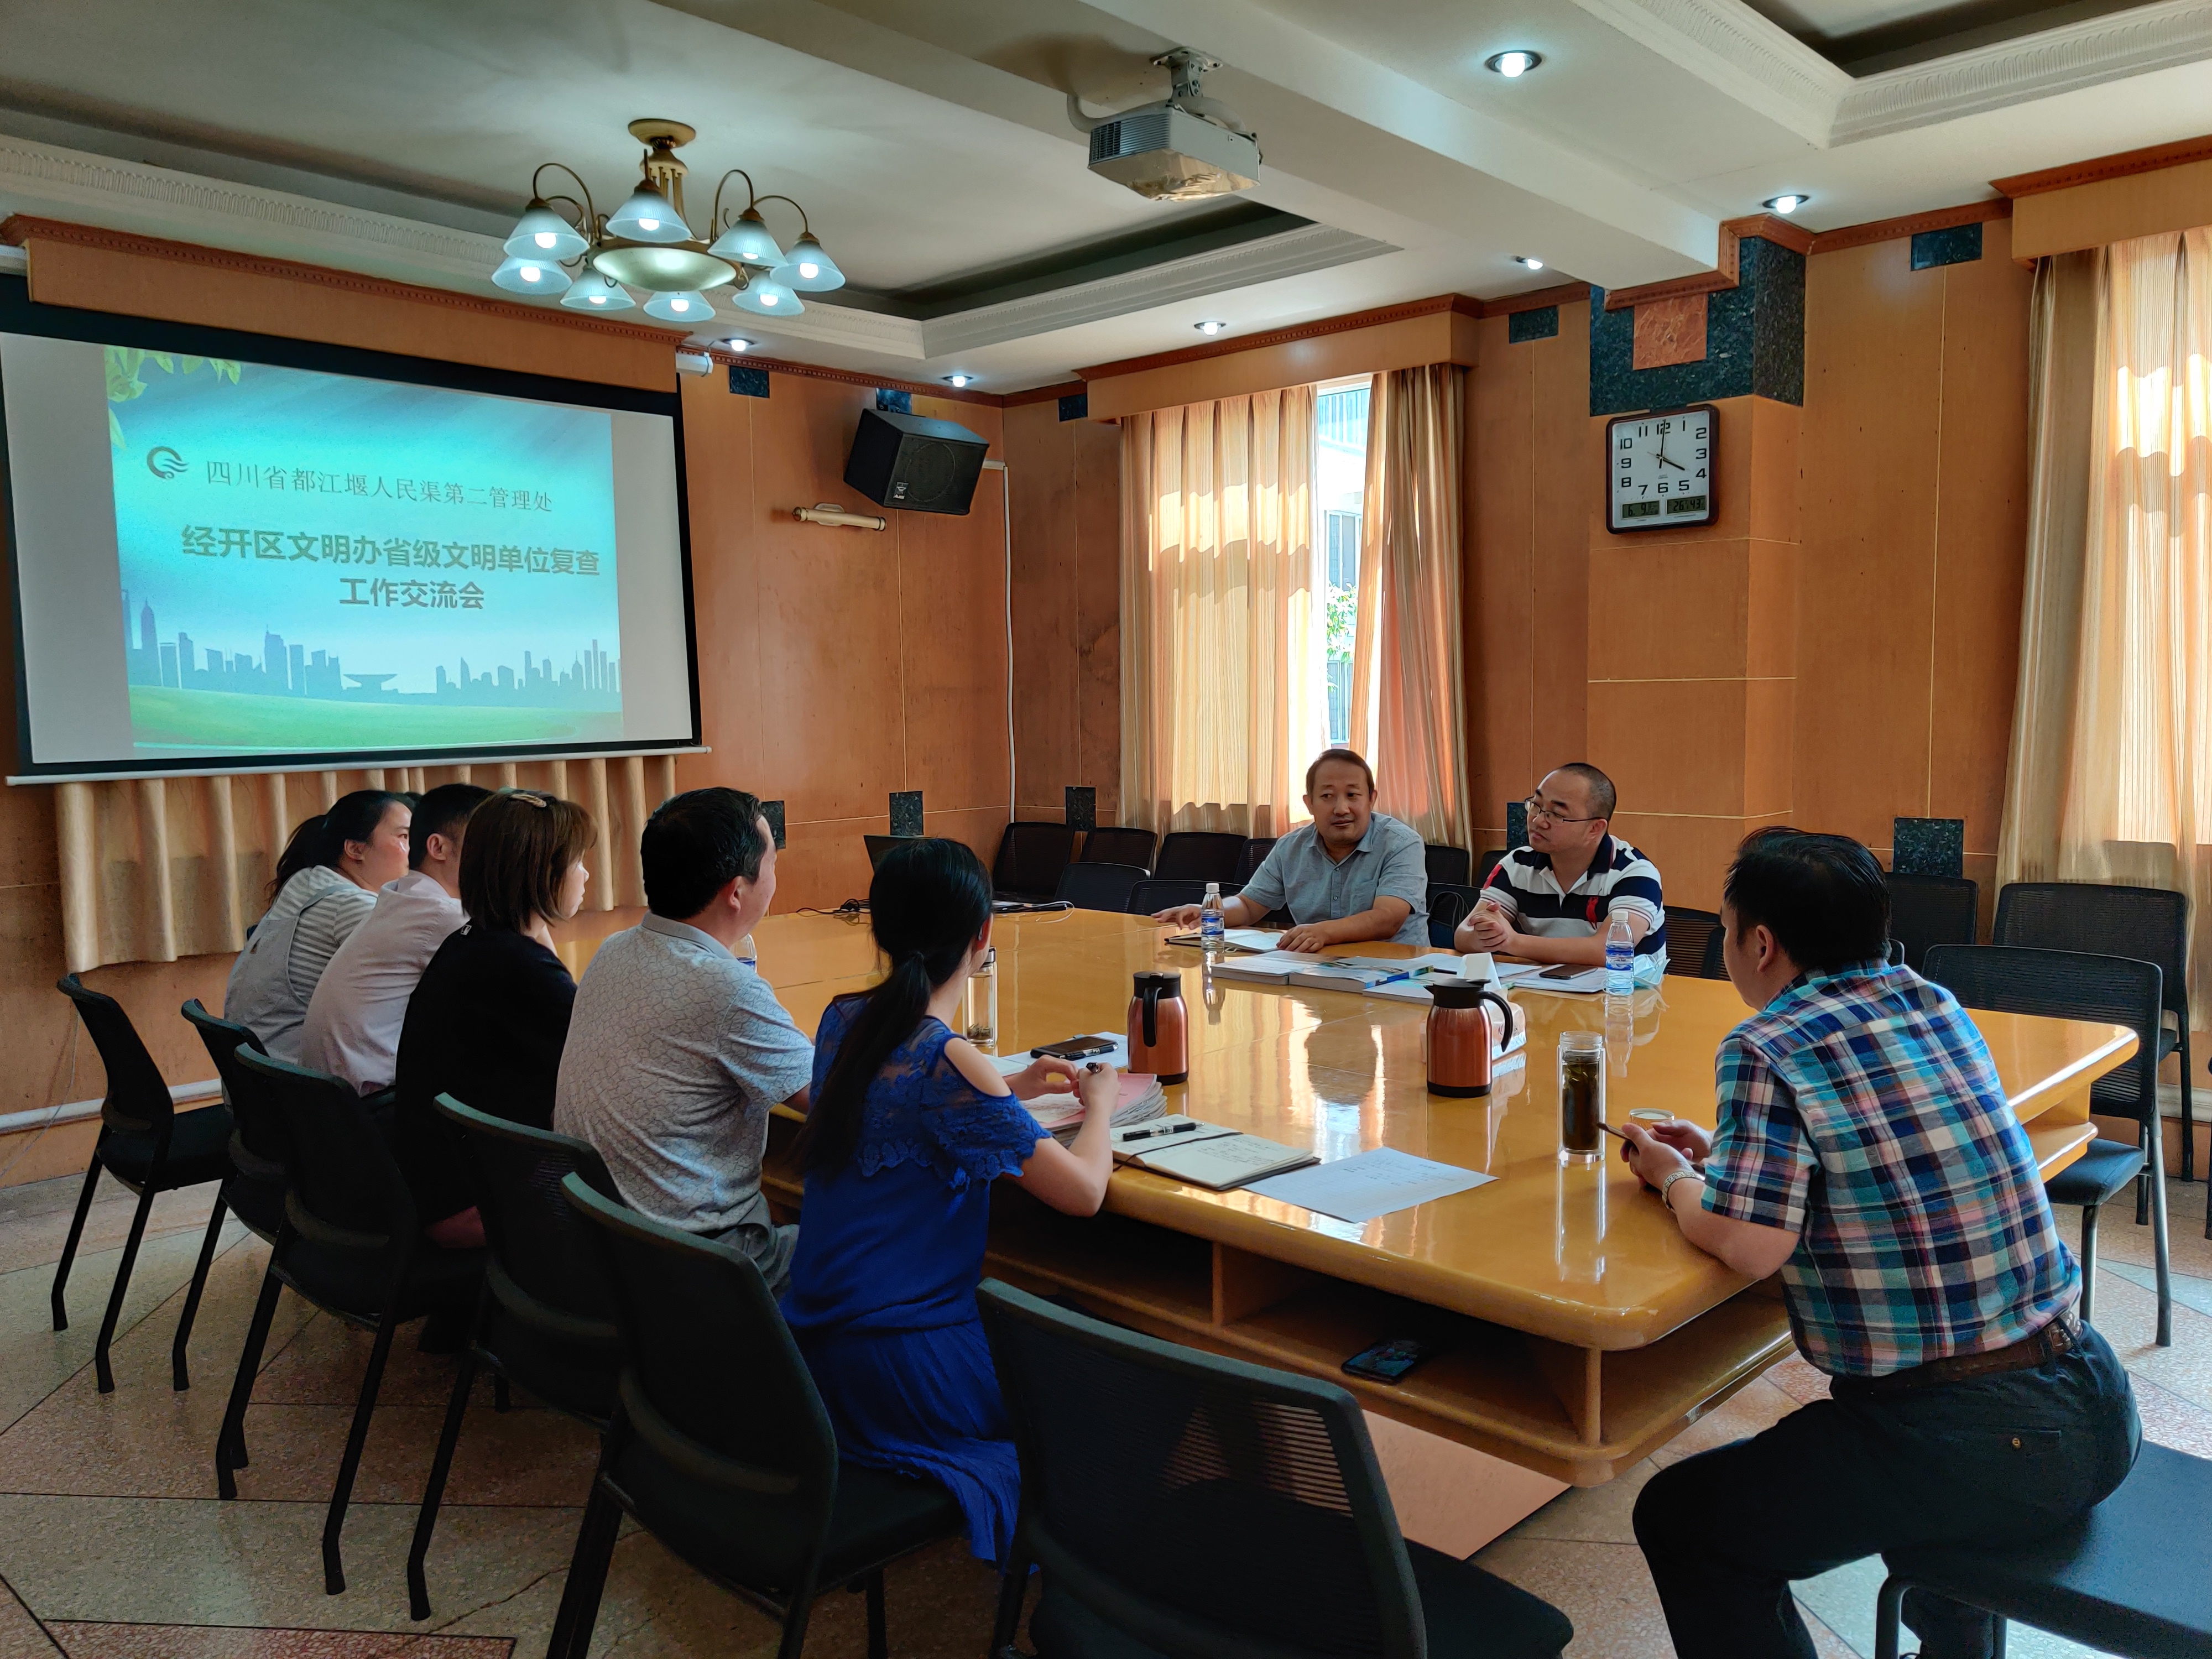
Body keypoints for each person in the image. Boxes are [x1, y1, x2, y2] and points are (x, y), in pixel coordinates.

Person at [1618, 828, 2137, 1659]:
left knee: (1682, 1518)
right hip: (2093, 1397)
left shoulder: (1766, 1042)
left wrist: (1674, 1178)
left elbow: (1750, 1248)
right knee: (1913, 1488)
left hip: (1974, 1441)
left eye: (1725, 928)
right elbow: (1878, 1150)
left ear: (1761, 943)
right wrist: (1729, 1158)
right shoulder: (1930, 1001)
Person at [782, 837, 1116, 1564]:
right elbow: (1085, 1193)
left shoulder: (842, 1019)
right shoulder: (949, 1061)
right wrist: (1100, 1109)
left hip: (819, 1350)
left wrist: (1006, 1087)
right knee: (1111, 1371)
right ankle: (1107, 1554)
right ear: (983, 934)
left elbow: (905, 1092)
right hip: (903, 1366)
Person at [555, 787, 815, 1296]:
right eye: (773, 863)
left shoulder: (614, 950)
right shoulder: (727, 989)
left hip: (602, 1243)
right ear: (737, 892)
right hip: (696, 1262)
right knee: (888, 1249)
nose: (776, 875)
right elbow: (839, 1101)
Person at [392, 789, 592, 1248]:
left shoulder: (473, 941)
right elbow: (604, 1074)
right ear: (542, 873)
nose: (585, 875)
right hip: (474, 1204)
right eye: (577, 861)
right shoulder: (520, 969)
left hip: (438, 1184)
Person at [300, 782, 492, 1094]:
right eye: (489, 844)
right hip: (370, 1102)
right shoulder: (440, 914)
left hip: (330, 1097)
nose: (497, 858)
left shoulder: (401, 894)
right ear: (438, 848)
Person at [1152, 748, 1427, 951]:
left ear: (1371, 800)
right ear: (1309, 804)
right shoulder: (1291, 847)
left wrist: (1323, 932)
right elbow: (1248, 905)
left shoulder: (1401, 843)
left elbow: (1387, 919)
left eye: (1353, 795)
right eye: (1327, 796)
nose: (1341, 808)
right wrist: (1210, 911)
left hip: (1396, 973)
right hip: (1318, 969)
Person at [225, 790, 413, 1061]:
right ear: (356, 849)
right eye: (404, 837)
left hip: (259, 1071)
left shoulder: (307, 880)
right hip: (299, 1076)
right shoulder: (352, 906)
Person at [1457, 763, 1667, 980]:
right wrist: (1487, 934)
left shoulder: (1634, 872)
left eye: (1556, 814)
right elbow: (1464, 934)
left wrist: (1513, 942)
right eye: (1536, 806)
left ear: (1594, 829)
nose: (1538, 821)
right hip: (1542, 991)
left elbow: (1607, 951)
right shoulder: (1517, 865)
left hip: (1623, 996)